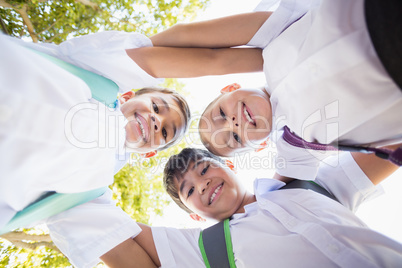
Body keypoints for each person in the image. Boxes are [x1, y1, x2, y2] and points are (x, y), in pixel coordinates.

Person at [0, 25, 265, 231]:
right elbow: (208, 59)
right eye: (157, 106)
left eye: (164, 133)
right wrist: (272, 58)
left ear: (148, 153)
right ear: (127, 96)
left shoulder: (92, 191)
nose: (156, 120)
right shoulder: (94, 77)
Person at [147, 0, 402, 180]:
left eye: (222, 114)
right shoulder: (296, 143)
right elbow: (281, 191)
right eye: (235, 138)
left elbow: (188, 37)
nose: (234, 123)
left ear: (230, 87)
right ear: (259, 148)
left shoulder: (270, 45)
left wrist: (128, 55)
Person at [45, 146, 402, 267]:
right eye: (189, 190)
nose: (202, 183)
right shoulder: (207, 250)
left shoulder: (312, 184)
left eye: (204, 169)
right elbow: (103, 224)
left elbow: (388, 145)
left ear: (230, 166)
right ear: (193, 214)